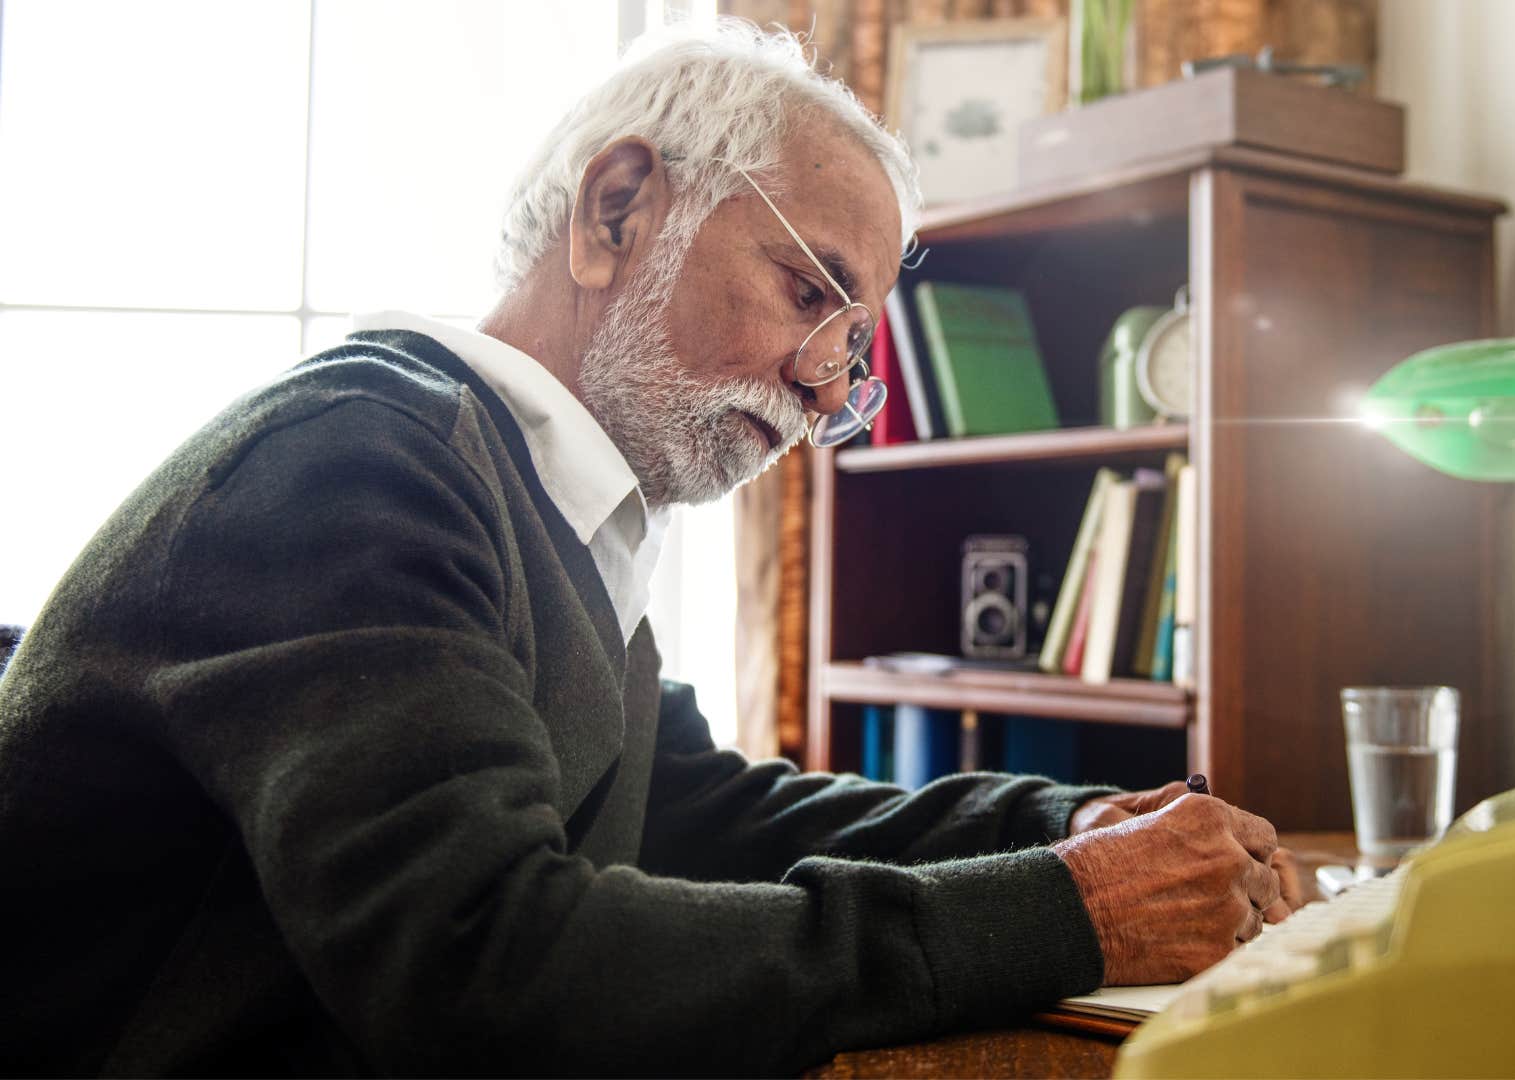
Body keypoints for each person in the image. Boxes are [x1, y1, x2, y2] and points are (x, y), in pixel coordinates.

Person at [0, 21, 1300, 1076]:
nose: (819, 386)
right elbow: (491, 978)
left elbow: (698, 809)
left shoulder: (550, 506)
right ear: (616, 207)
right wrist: (1067, 910)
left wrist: (1070, 825)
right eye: (811, 292)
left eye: (852, 351)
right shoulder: (354, 469)